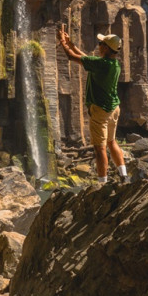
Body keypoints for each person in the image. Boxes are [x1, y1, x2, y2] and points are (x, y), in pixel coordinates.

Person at [56, 27, 129, 183]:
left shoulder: (101, 64)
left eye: (100, 43)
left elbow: (71, 57)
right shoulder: (113, 64)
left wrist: (62, 41)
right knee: (111, 142)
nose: (98, 45)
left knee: (100, 148)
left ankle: (102, 184)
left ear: (106, 48)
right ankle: (124, 176)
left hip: (101, 111)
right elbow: (86, 59)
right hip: (114, 109)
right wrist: (71, 43)